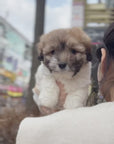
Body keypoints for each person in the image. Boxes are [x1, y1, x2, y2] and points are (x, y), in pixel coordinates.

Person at [16, 23, 114, 144]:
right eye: (52, 52)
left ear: (103, 60)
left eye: (73, 51)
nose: (63, 59)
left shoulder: (31, 131)